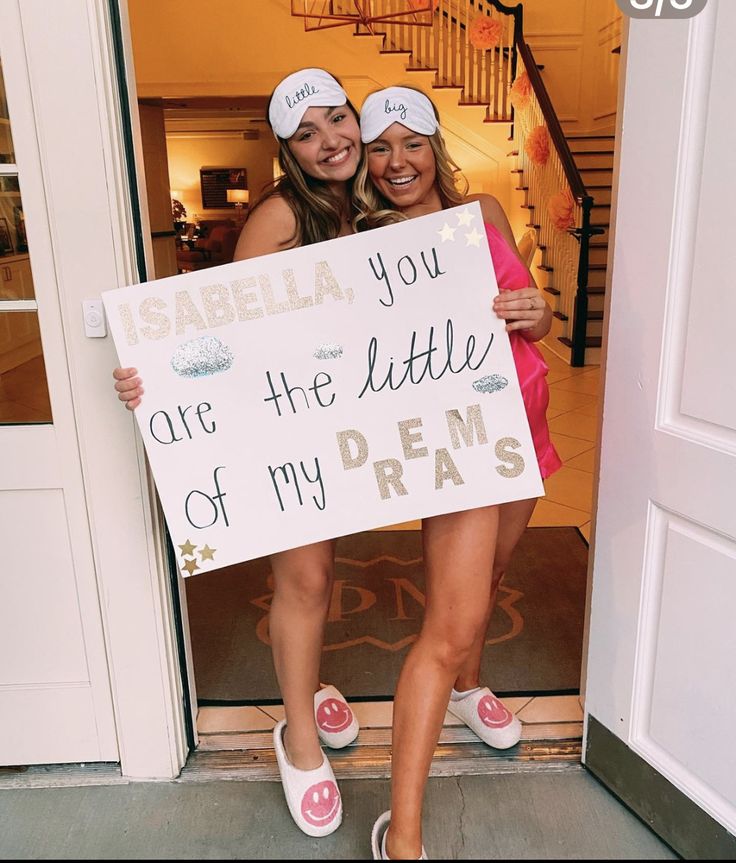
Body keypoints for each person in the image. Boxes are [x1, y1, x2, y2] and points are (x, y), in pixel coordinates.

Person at [112, 68, 364, 840]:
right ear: (288, 151)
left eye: (337, 121)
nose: (331, 141)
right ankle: (296, 737)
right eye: (308, 133)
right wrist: (155, 374)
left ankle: (307, 678)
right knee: (307, 577)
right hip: (283, 427)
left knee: (318, 575)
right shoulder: (284, 216)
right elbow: (223, 330)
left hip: (342, 419)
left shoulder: (368, 206)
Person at [354, 86, 562, 859]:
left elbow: (533, 317)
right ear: (365, 160)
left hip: (524, 429)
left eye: (410, 143)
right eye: (380, 146)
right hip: (460, 448)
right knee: (447, 625)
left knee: (493, 576)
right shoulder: (365, 239)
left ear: (435, 146)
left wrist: (537, 313)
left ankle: (474, 688)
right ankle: (402, 831)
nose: (397, 161)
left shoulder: (489, 216)